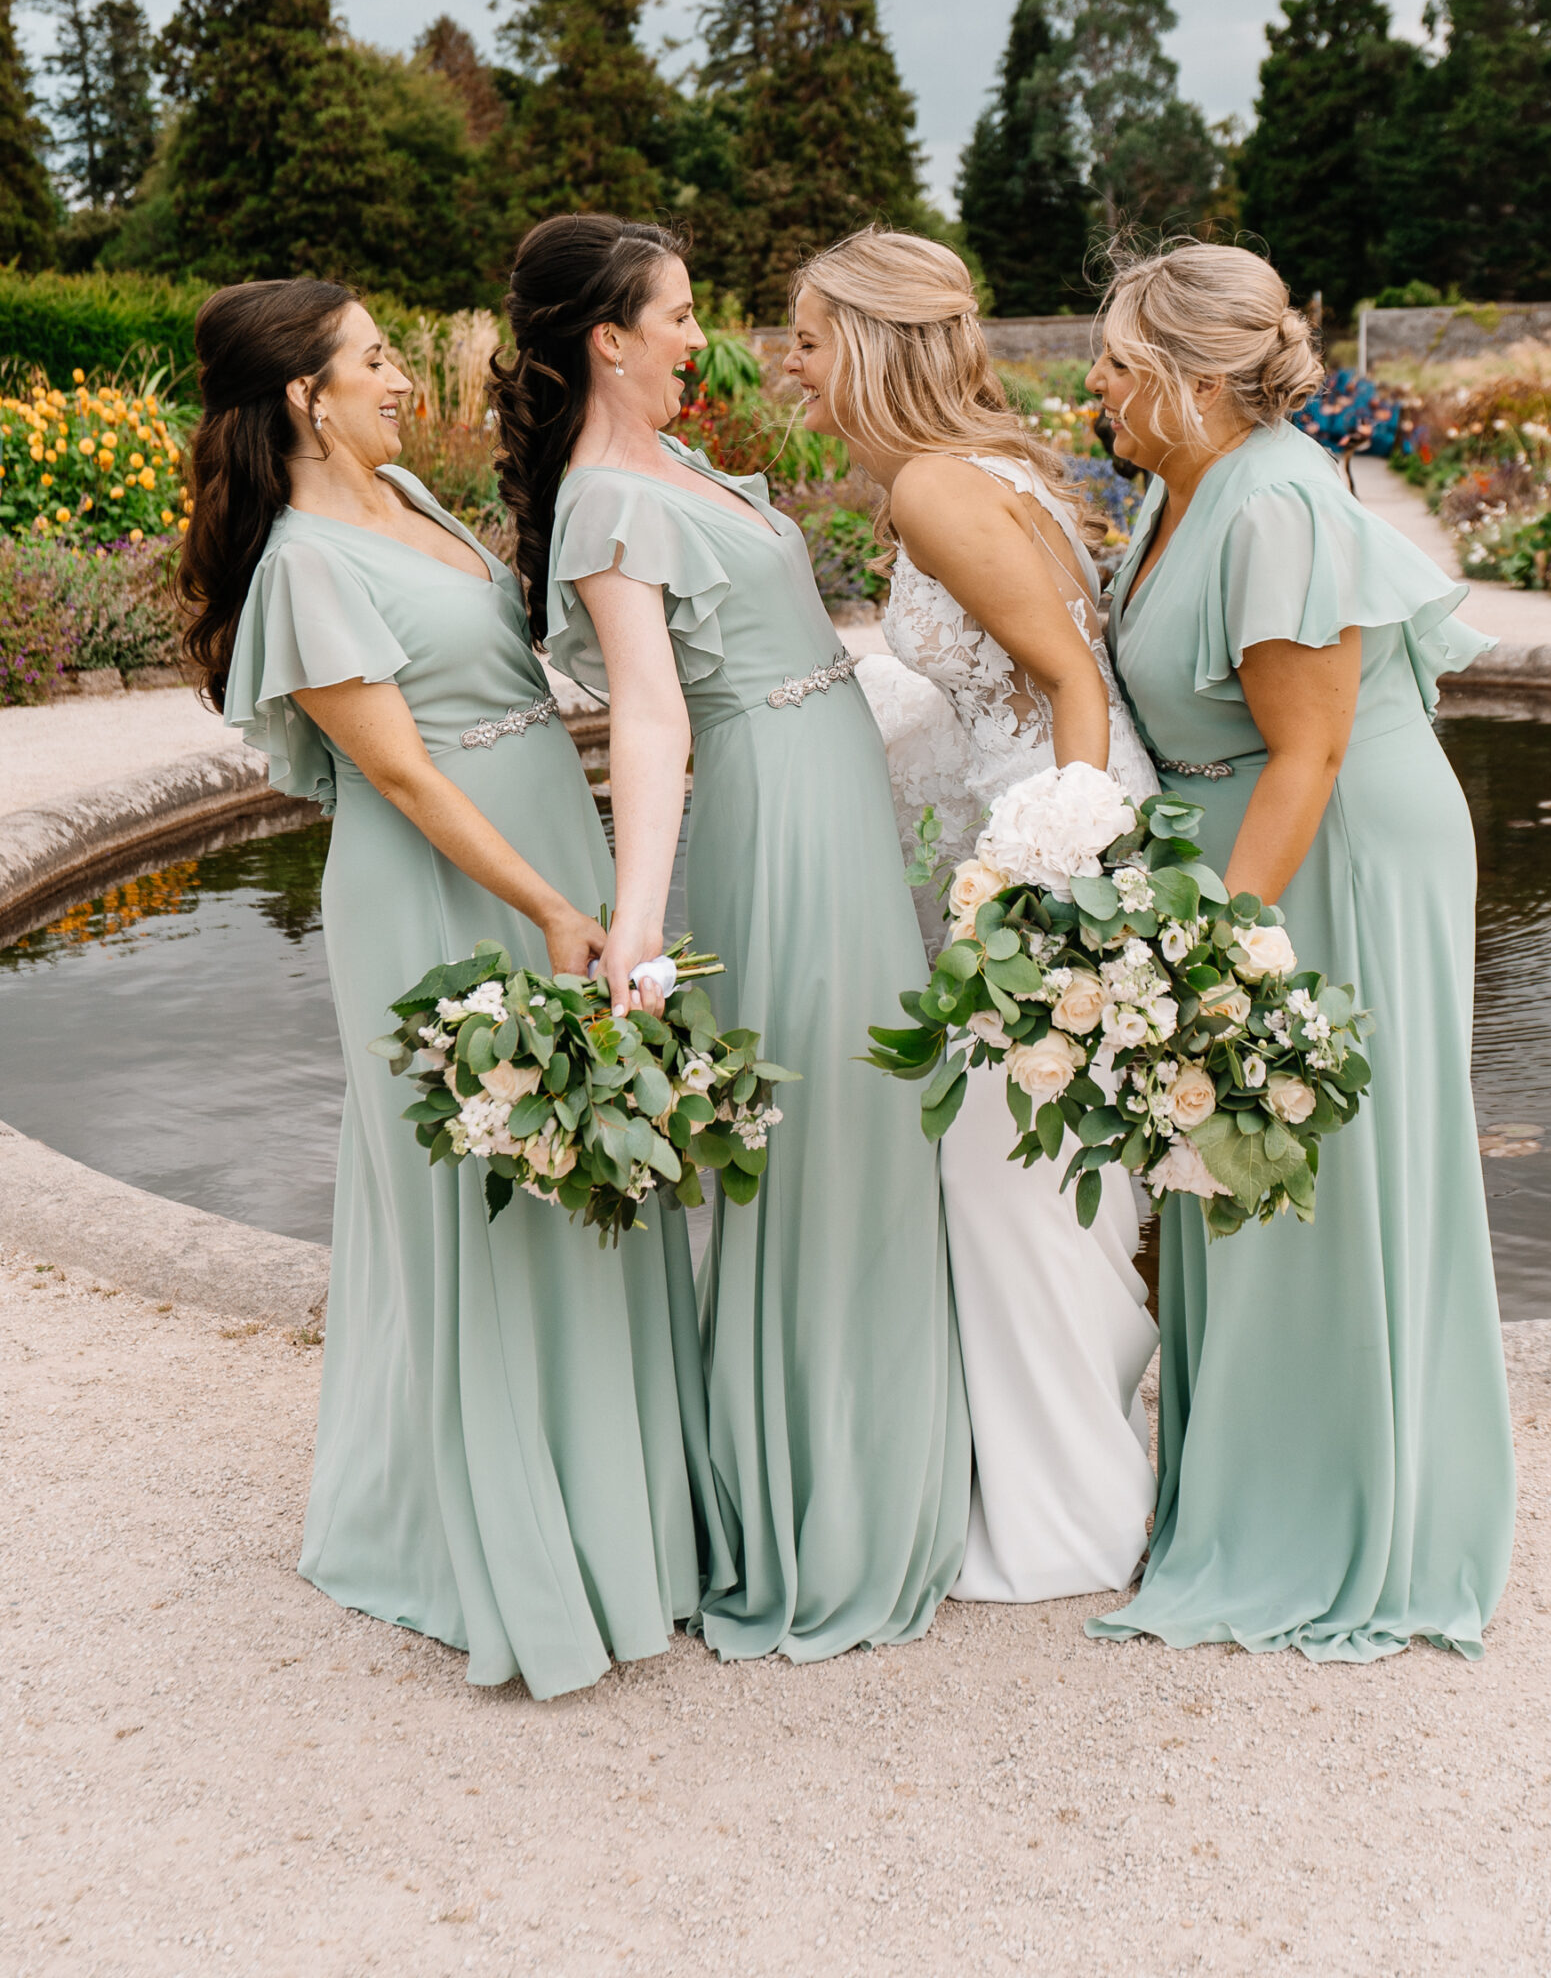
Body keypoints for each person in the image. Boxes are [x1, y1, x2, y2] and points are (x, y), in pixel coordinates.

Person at [178, 278, 724, 1699]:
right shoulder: (301, 563)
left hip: (542, 834)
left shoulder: (410, 487)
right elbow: (403, 774)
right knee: (494, 1188)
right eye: (374, 359)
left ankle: (632, 1517)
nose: (404, 375)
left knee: (595, 1162)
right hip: (448, 890)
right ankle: (510, 1538)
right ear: (304, 393)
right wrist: (547, 902)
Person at [488, 212, 969, 1662]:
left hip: (835, 785)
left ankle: (885, 1470)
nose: (710, 340)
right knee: (835, 1144)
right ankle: (816, 1514)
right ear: (608, 340)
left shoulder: (673, 463)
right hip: (779, 817)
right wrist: (638, 924)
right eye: (682, 316)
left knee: (874, 1131)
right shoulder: (601, 503)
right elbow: (647, 714)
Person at [1084, 240, 1515, 1660]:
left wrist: (1216, 955)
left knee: (1314, 1164)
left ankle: (1345, 1514)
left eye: (1117, 362)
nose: (1092, 383)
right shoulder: (1169, 485)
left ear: (1193, 376)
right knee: (1242, 1169)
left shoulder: (1274, 503)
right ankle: (1248, 1479)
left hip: (1328, 850)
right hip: (1252, 841)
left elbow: (1312, 748)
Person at [784, 228, 1160, 1604]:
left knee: (1004, 1182)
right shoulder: (986, 465)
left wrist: (1046, 882)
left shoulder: (938, 488)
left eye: (813, 341)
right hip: (1037, 829)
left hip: (1045, 849)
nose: (792, 366)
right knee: (1038, 1178)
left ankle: (1070, 1521)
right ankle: (1066, 1483)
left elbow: (1072, 680)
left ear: (875, 347)